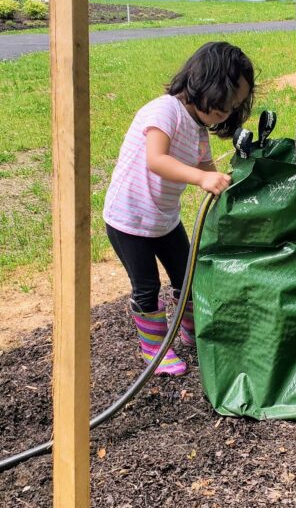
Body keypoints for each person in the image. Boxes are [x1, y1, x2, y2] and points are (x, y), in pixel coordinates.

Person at [103, 41, 255, 376]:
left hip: (164, 219)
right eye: (227, 101)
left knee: (187, 275)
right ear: (207, 82)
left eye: (236, 106)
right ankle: (155, 350)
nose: (229, 110)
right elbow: (157, 161)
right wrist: (201, 178)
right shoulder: (164, 111)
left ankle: (187, 330)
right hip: (129, 220)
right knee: (146, 286)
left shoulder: (198, 128)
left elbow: (204, 164)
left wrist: (225, 177)